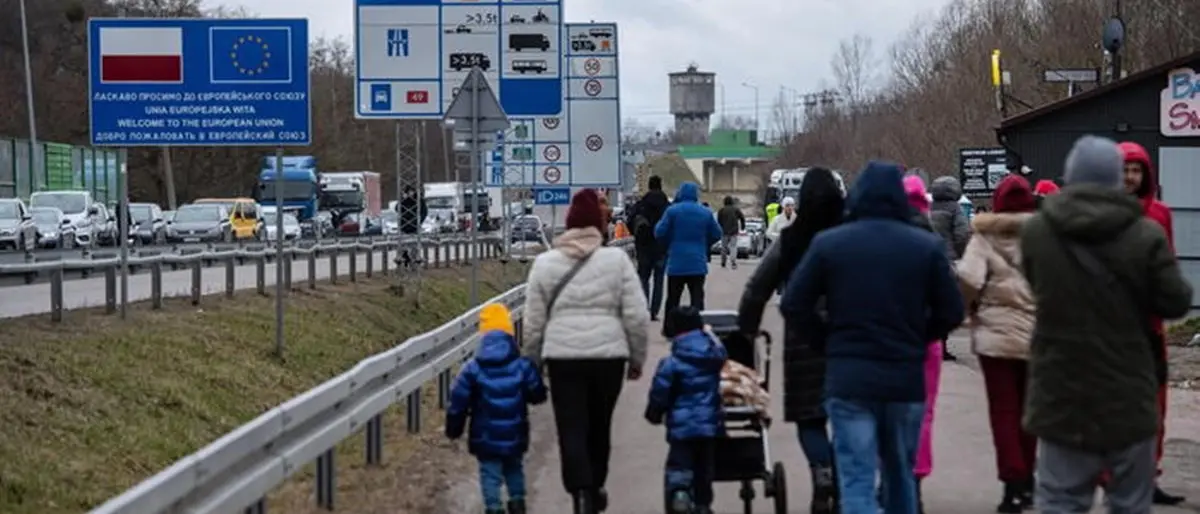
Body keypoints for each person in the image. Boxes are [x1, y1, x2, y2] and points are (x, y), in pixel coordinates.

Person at [1020, 135, 1191, 513]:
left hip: (1059, 391)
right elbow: (1175, 300)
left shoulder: (1037, 233)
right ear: (1116, 177)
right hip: (1128, 390)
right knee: (1129, 501)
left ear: (1070, 176)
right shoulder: (1146, 232)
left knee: (1060, 499)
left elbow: (1035, 286)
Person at [781, 161, 965, 514]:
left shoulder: (830, 244)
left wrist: (826, 342)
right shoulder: (924, 246)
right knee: (899, 473)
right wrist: (920, 338)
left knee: (857, 478)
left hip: (849, 378)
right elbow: (953, 311)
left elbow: (794, 303)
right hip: (904, 379)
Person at [522, 188, 650, 514]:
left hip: (562, 358)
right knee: (599, 424)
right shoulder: (617, 261)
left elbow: (534, 320)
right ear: (599, 224)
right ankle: (595, 486)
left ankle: (578, 487)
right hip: (609, 359)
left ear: (568, 224)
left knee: (571, 424)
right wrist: (636, 358)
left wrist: (532, 361)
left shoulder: (545, 264)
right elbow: (636, 314)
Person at [736, 166, 844, 514]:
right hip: (849, 339)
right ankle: (842, 482)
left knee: (810, 418)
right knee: (847, 418)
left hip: (804, 340)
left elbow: (757, 290)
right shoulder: (851, 236)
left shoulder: (792, 239)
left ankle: (821, 470)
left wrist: (745, 332)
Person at [955, 175, 1039, 513]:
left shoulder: (984, 237)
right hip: (1038, 335)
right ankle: (1030, 481)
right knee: (1030, 412)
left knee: (1003, 410)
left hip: (995, 335)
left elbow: (968, 278)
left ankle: (1011, 484)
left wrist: (970, 309)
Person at [1117, 141, 1184, 507]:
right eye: (1124, 170)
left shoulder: (1160, 214)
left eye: (1136, 170)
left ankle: (1149, 475)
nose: (1129, 177)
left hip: (1150, 327)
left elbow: (1168, 265)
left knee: (1155, 408)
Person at [446, 303, 548, 514]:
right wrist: (537, 393)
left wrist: (454, 429)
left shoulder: (472, 369)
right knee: (514, 468)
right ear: (509, 332)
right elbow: (537, 393)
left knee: (489, 473)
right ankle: (518, 502)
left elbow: (458, 402)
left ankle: (494, 508)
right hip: (515, 433)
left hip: (485, 436)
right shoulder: (522, 366)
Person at [645, 306, 728, 514]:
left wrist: (654, 413)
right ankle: (703, 504)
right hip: (709, 425)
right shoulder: (714, 357)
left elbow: (660, 392)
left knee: (679, 464)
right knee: (704, 469)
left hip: (681, 427)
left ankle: (680, 493)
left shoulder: (671, 363)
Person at [902, 175, 944, 510]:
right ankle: (915, 478)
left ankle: (893, 479)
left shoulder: (884, 241)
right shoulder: (933, 242)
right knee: (924, 412)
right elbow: (950, 301)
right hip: (926, 340)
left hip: (890, 341)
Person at [655, 182, 722, 320]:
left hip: (676, 262)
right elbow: (717, 233)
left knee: (673, 298)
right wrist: (704, 243)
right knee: (697, 299)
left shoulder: (672, 211)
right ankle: (698, 326)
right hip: (697, 262)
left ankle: (670, 328)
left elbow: (659, 232)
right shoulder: (705, 212)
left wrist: (669, 243)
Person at [929, 176, 971, 362]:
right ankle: (943, 344)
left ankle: (930, 342)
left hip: (928, 258)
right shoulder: (955, 209)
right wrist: (961, 253)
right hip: (948, 260)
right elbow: (962, 234)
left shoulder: (928, 207)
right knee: (946, 301)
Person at [631, 176, 671, 320]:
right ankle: (654, 312)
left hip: (643, 246)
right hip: (661, 247)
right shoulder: (667, 206)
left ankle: (644, 308)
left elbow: (630, 221)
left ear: (649, 185)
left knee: (643, 278)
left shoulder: (641, 204)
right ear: (660, 186)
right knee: (659, 280)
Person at [716, 196, 746, 269]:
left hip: (724, 231)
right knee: (733, 247)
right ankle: (733, 261)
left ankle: (723, 261)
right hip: (734, 231)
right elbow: (742, 217)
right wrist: (742, 226)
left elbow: (718, 221)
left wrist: (720, 228)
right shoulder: (736, 210)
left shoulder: (721, 210)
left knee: (724, 247)